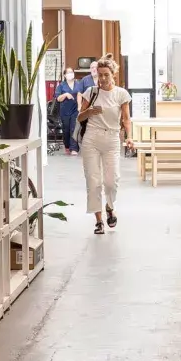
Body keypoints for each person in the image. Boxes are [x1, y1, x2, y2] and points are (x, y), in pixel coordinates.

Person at [78, 56, 133, 235]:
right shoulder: (91, 92)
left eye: (106, 75)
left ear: (113, 74)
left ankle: (110, 206)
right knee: (93, 182)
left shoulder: (121, 94)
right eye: (99, 75)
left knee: (111, 181)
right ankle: (99, 220)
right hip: (91, 139)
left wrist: (129, 137)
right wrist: (89, 111)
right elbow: (79, 117)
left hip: (112, 139)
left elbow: (126, 119)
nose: (102, 78)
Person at [55, 69, 83, 156]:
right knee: (66, 130)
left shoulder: (78, 84)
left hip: (75, 110)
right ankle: (67, 145)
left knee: (74, 128)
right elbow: (58, 99)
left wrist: (80, 107)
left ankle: (74, 148)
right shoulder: (61, 86)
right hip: (65, 111)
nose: (70, 74)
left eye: (72, 72)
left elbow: (81, 94)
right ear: (64, 75)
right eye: (68, 72)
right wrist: (65, 94)